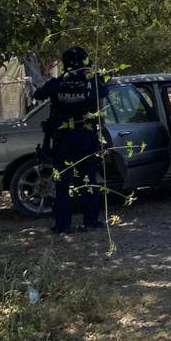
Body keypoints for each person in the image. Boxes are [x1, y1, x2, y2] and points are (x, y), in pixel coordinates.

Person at [32, 46, 110, 235]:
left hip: (63, 140)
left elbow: (38, 95)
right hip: (85, 138)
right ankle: (91, 221)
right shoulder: (91, 83)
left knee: (62, 184)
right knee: (87, 181)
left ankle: (62, 225)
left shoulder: (57, 83)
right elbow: (105, 92)